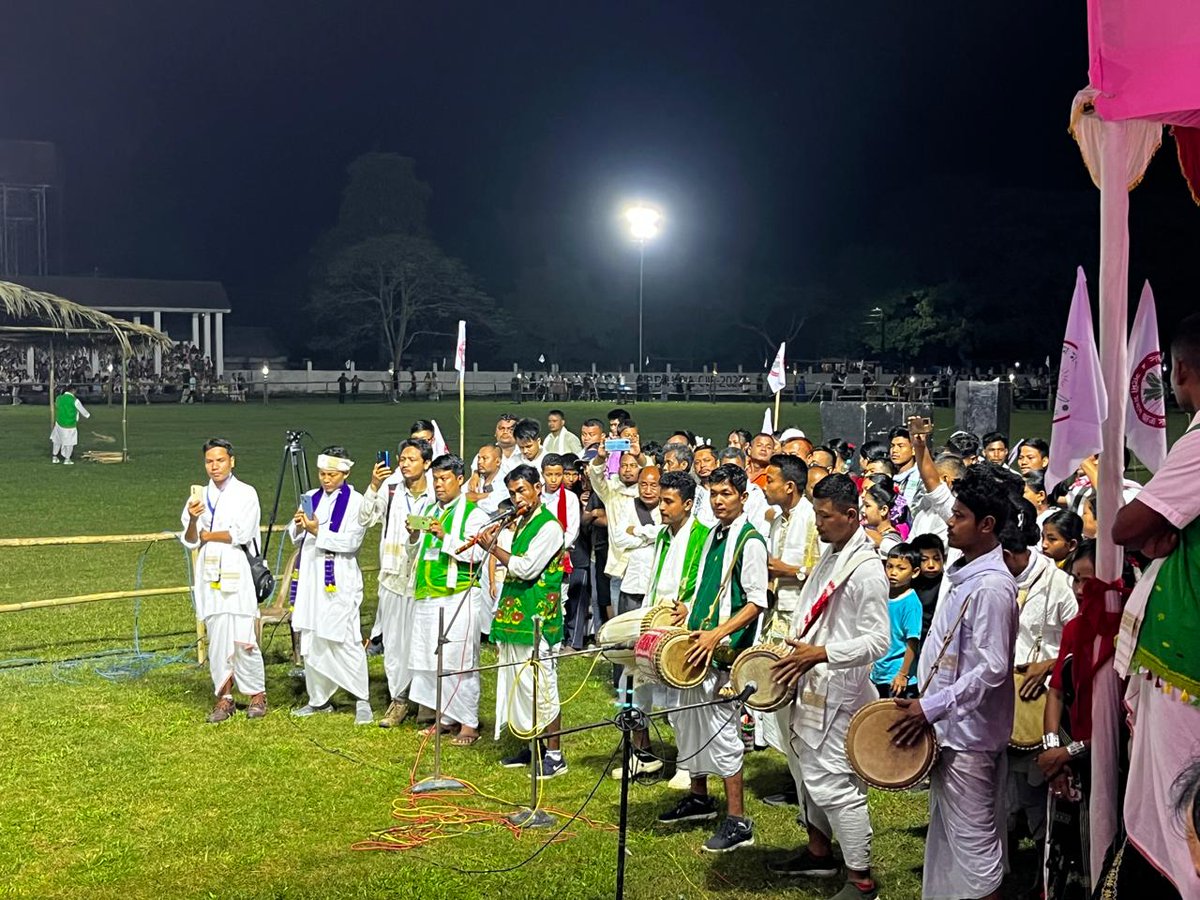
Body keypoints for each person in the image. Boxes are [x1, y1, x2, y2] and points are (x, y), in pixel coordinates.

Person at [890, 463, 1020, 900]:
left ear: (986, 525)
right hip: (952, 731)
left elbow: (993, 667)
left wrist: (930, 706)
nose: (950, 519)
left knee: (977, 850)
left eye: (959, 515)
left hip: (968, 738)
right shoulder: (969, 574)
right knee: (950, 842)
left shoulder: (991, 588)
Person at [1109, 311, 1200, 896]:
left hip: (1185, 660)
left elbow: (1125, 525)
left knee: (1176, 809)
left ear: (1183, 370)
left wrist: (1151, 530)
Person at [768, 474, 889, 899]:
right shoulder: (833, 552)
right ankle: (818, 854)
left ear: (851, 516)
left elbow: (879, 640)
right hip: (809, 680)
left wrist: (819, 654)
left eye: (824, 516)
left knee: (835, 783)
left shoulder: (867, 570)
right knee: (806, 774)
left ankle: (861, 878)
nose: (816, 523)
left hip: (838, 689)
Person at [656, 464, 767, 853]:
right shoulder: (712, 535)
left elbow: (757, 601)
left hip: (723, 653)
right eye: (714, 493)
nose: (719, 501)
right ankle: (700, 798)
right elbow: (704, 585)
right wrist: (686, 610)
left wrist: (719, 633)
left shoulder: (750, 541)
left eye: (726, 494)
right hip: (696, 644)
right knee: (687, 723)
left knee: (723, 732)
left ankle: (738, 821)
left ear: (743, 497)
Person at [611, 470, 710, 781]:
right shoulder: (664, 534)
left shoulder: (702, 536)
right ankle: (643, 754)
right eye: (661, 502)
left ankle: (686, 764)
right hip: (653, 621)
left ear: (689, 503)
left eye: (669, 501)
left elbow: (708, 584)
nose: (662, 508)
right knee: (631, 687)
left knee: (680, 700)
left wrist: (688, 609)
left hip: (682, 628)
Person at [479, 465, 568, 777]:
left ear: (538, 488)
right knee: (519, 686)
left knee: (542, 686)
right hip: (516, 617)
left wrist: (493, 548)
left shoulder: (550, 526)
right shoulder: (521, 523)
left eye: (522, 490)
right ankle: (533, 746)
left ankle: (555, 755)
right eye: (513, 493)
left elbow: (526, 568)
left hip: (538, 619)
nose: (517, 498)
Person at [1001, 498, 1078, 860]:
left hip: (1041, 702)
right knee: (1001, 788)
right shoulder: (994, 578)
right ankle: (1004, 855)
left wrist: (1047, 665)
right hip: (1001, 698)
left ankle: (1047, 867)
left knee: (1037, 789)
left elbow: (1077, 643)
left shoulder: (1059, 583)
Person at [1037, 540, 1110, 898]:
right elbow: (1057, 691)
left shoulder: (1126, 630)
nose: (1080, 590)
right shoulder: (1074, 628)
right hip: (1066, 754)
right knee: (1067, 850)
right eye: (1075, 580)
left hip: (1111, 762)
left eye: (1088, 580)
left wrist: (1071, 753)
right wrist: (1054, 749)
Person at [180, 438, 267, 723]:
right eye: (209, 461)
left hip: (237, 567)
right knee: (217, 636)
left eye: (219, 460)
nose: (214, 466)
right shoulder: (198, 496)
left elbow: (241, 533)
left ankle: (256, 694)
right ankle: (225, 697)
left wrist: (207, 535)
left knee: (244, 636)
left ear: (232, 461)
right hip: (209, 572)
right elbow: (190, 540)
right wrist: (194, 522)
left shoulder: (246, 493)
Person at [407, 454, 488, 744]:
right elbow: (417, 551)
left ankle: (469, 723)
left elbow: (478, 553)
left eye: (444, 479)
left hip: (459, 596)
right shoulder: (430, 508)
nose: (439, 485)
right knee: (431, 659)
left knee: (460, 660)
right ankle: (445, 716)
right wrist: (414, 536)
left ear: (460, 479)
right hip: (428, 595)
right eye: (436, 479)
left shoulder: (473, 513)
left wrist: (444, 537)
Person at [289, 447, 372, 724]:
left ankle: (362, 698)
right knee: (312, 637)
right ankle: (318, 700)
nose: (325, 479)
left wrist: (317, 531)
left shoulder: (357, 502)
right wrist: (300, 524)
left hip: (340, 576)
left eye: (332, 474)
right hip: (311, 576)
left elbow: (351, 543)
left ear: (346, 473)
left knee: (346, 638)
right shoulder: (310, 498)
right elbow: (293, 535)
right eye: (322, 474)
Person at [359, 438, 434, 727]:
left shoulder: (436, 494)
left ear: (426, 463)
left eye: (411, 459)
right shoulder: (391, 490)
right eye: (402, 459)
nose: (404, 464)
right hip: (392, 577)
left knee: (424, 640)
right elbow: (365, 519)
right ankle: (399, 700)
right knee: (394, 642)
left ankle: (426, 701)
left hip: (423, 578)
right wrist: (374, 486)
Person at [871, 543, 923, 700]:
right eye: (890, 567)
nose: (893, 573)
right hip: (878, 672)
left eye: (901, 568)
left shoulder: (911, 603)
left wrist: (903, 674)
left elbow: (912, 642)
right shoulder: (883, 595)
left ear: (914, 572)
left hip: (896, 678)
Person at [50, 385, 90, 465]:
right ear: (73, 391)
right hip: (70, 424)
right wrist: (87, 415)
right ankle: (67, 459)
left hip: (59, 422)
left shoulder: (59, 398)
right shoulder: (74, 400)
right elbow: (83, 411)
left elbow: (57, 405)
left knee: (57, 440)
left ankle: (54, 457)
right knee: (70, 442)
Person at [888, 426, 923, 507]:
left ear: (914, 450)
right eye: (892, 446)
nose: (894, 450)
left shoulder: (920, 478)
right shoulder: (888, 475)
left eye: (900, 446)